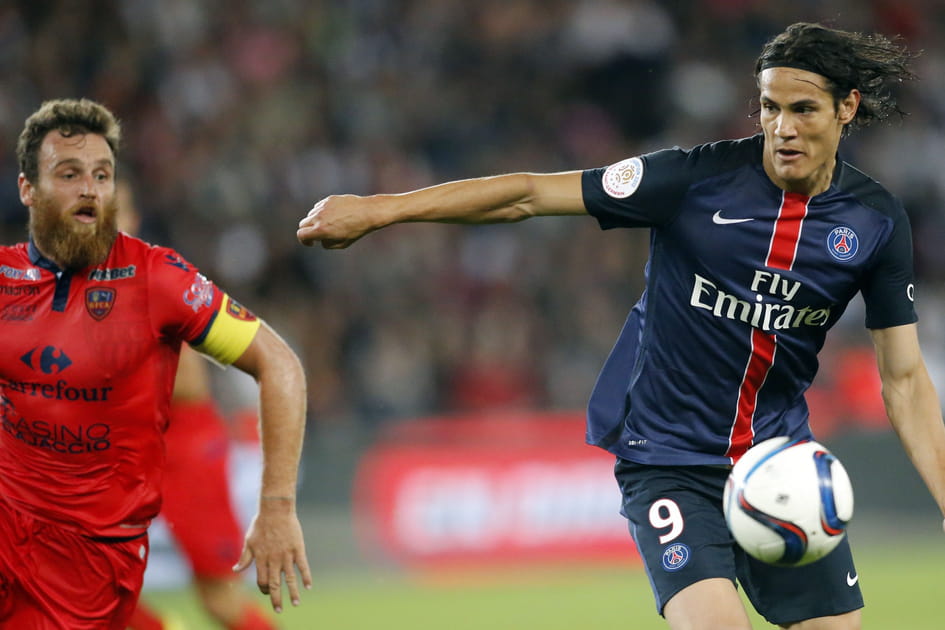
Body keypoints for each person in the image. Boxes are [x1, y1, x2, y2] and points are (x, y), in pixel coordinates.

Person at [297, 22, 945, 630]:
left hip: (780, 465)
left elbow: (905, 380)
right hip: (667, 463)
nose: (781, 126)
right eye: (768, 107)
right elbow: (528, 193)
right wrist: (380, 210)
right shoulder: (694, 180)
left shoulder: (874, 222)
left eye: (801, 108)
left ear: (846, 108)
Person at [0, 98, 311, 629]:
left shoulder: (157, 279)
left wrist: (278, 506)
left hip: (124, 511)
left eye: (102, 176)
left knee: (218, 598)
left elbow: (279, 364)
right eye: (70, 174)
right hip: (18, 531)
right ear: (29, 189)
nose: (90, 189)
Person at [112, 182, 278, 630]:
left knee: (219, 601)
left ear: (134, 219)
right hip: (119, 451)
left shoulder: (154, 276)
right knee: (84, 589)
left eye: (117, 211)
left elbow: (185, 383)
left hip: (182, 444)